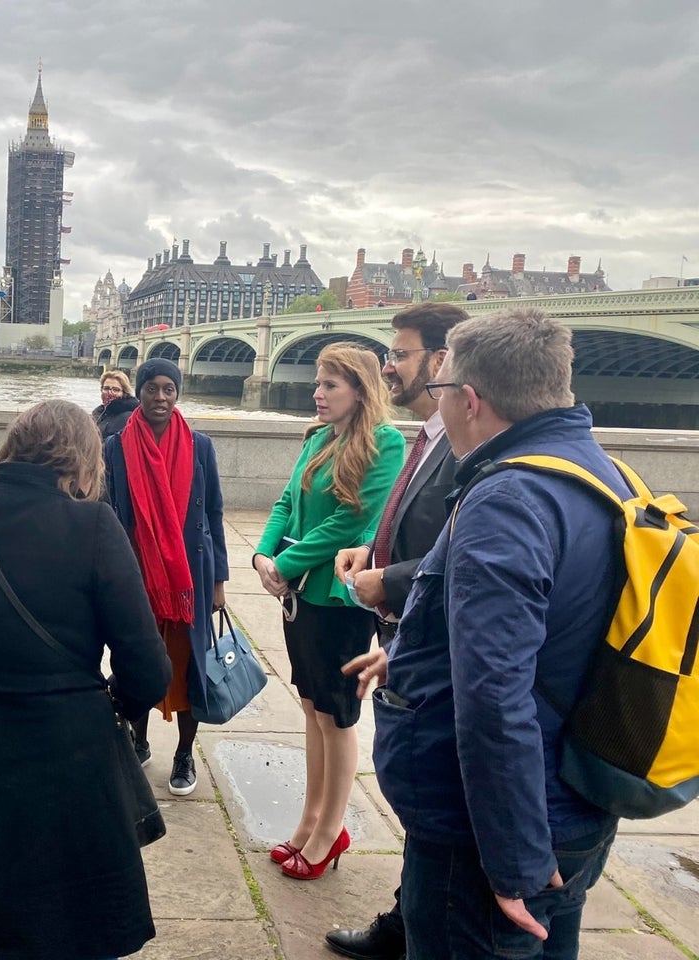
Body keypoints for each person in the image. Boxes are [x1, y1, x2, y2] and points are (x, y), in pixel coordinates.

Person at [373, 308, 623, 959]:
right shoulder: (600, 473)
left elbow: (494, 697)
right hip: (572, 802)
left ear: (472, 400)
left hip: (489, 836)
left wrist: (514, 859)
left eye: (443, 390)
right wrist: (405, 658)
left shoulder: (507, 499)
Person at [0, 399, 172, 960]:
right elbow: (148, 670)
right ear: (82, 461)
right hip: (70, 748)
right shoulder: (92, 525)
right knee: (75, 924)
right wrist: (108, 701)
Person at [325, 303, 467, 959]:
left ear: (440, 362)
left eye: (400, 353)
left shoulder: (470, 449)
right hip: (409, 641)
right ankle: (405, 922)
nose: (389, 364)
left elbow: (466, 548)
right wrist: (374, 561)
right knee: (420, 803)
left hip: (441, 652)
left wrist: (393, 580)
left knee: (434, 800)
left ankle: (414, 930)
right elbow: (423, 534)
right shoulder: (429, 438)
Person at [253, 342, 404, 880]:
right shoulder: (317, 439)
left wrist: (287, 562)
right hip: (300, 597)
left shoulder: (386, 444)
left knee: (337, 717)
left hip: (339, 600)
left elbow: (350, 521)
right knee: (313, 708)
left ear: (360, 391)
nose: (316, 393)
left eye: (330, 385)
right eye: (317, 383)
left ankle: (329, 830)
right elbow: (286, 503)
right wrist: (262, 556)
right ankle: (310, 820)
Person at [104, 357, 229, 797]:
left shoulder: (200, 446)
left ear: (178, 394)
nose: (160, 397)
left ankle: (184, 753)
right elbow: (108, 511)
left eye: (168, 389)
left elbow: (213, 513)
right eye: (152, 388)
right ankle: (138, 741)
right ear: (138, 391)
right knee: (136, 662)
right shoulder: (116, 446)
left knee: (190, 666)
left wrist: (218, 583)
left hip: (188, 578)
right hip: (137, 574)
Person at [92, 369, 139, 439]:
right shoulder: (98, 412)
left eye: (116, 390)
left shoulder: (128, 417)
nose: (110, 393)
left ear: (124, 393)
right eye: (106, 388)